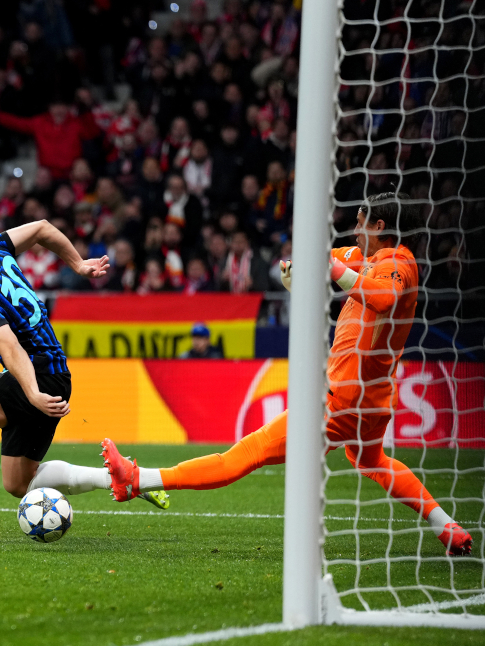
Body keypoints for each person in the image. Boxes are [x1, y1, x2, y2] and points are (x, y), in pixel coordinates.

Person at [103, 193, 472, 557]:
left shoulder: (400, 265)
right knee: (371, 461)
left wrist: (333, 271)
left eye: (360, 224)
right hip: (373, 401)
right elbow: (325, 258)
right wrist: (300, 271)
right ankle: (446, 526)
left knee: (248, 452)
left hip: (344, 399)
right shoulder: (368, 257)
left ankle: (136, 480)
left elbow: (384, 296)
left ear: (379, 226)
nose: (354, 232)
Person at [0, 222, 167, 539]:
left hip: (36, 373)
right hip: (54, 372)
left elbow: (11, 347)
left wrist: (31, 393)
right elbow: (42, 228)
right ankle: (124, 478)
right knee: (18, 483)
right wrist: (78, 263)